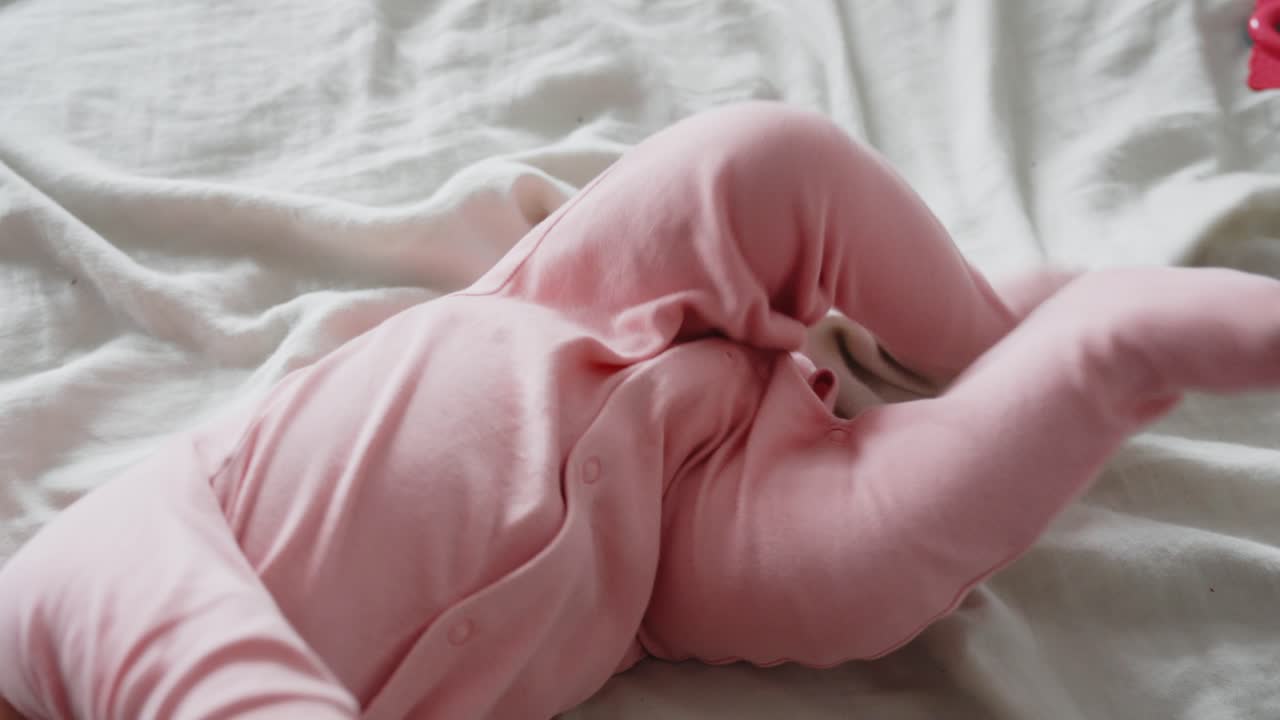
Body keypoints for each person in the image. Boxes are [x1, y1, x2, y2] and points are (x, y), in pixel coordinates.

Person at [2, 102, 1279, 720]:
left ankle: (983, 331)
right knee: (874, 572)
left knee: (765, 164)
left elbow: (222, 682)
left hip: (569, 311)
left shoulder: (53, 604)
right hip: (661, 557)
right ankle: (1106, 347)